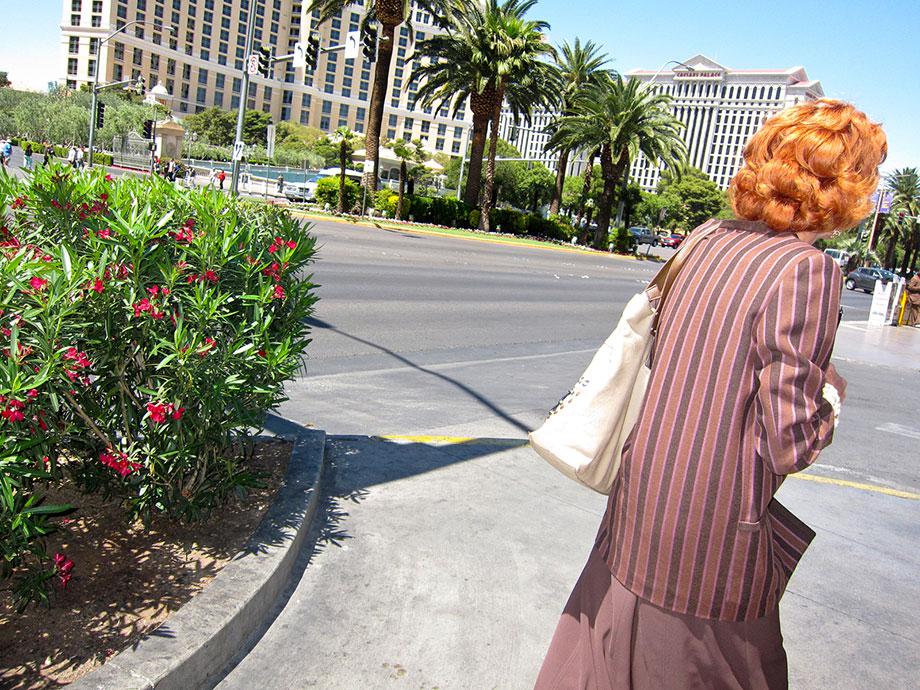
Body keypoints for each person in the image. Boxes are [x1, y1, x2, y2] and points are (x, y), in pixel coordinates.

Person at [534, 99, 887, 690]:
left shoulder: (706, 237)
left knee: (608, 656)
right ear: (842, 187)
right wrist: (830, 395)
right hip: (714, 533)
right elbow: (790, 442)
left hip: (640, 496)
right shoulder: (808, 271)